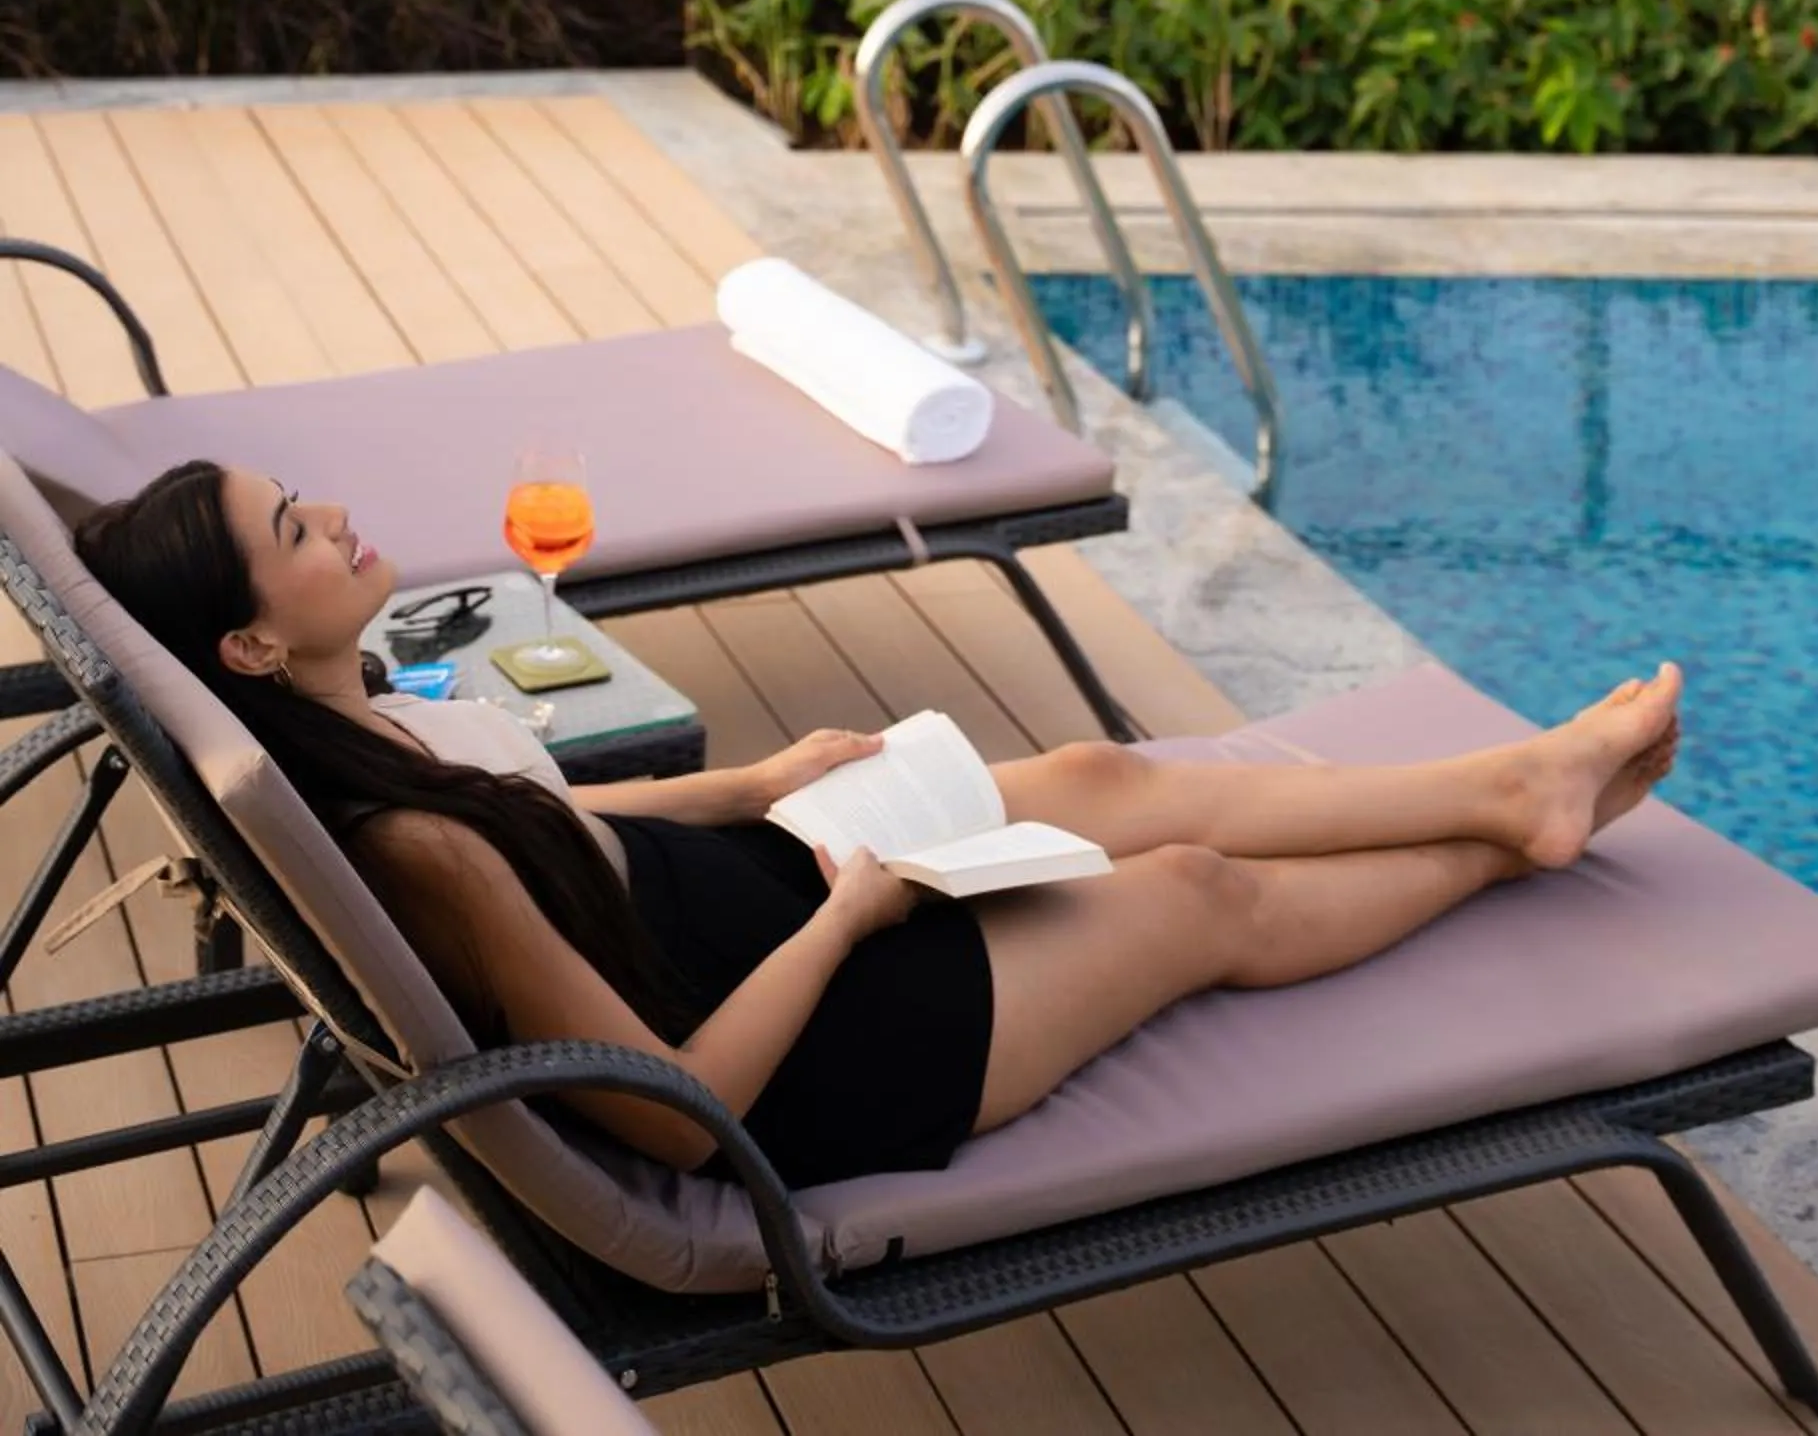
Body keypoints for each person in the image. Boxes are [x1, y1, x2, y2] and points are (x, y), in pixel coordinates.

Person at [75, 463, 1682, 1192]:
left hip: (746, 893)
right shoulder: (413, 853)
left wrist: (755, 784)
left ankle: (1514, 786)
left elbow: (555, 806)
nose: (336, 517)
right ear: (248, 647)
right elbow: (676, 1115)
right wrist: (851, 915)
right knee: (1190, 893)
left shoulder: (371, 720)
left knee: (1101, 778)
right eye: (295, 531)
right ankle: (1499, 844)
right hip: (802, 1045)